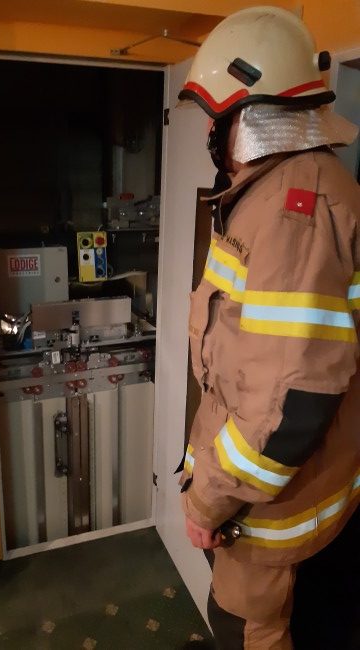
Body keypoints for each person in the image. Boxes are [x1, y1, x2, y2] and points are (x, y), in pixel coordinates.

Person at [176, 6, 360, 649]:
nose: (209, 130)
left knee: (246, 631)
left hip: (266, 520)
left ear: (254, 114)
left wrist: (206, 502)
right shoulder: (279, 189)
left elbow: (287, 402)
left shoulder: (293, 209)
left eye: (216, 115)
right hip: (269, 505)